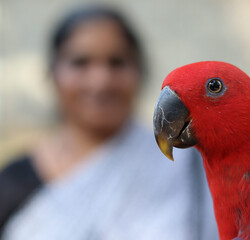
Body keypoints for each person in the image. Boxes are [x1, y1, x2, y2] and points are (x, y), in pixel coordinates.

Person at [0, 6, 218, 240]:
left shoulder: (185, 167)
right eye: (80, 63)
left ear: (139, 71)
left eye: (117, 62)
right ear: (52, 74)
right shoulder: (14, 182)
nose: (101, 80)